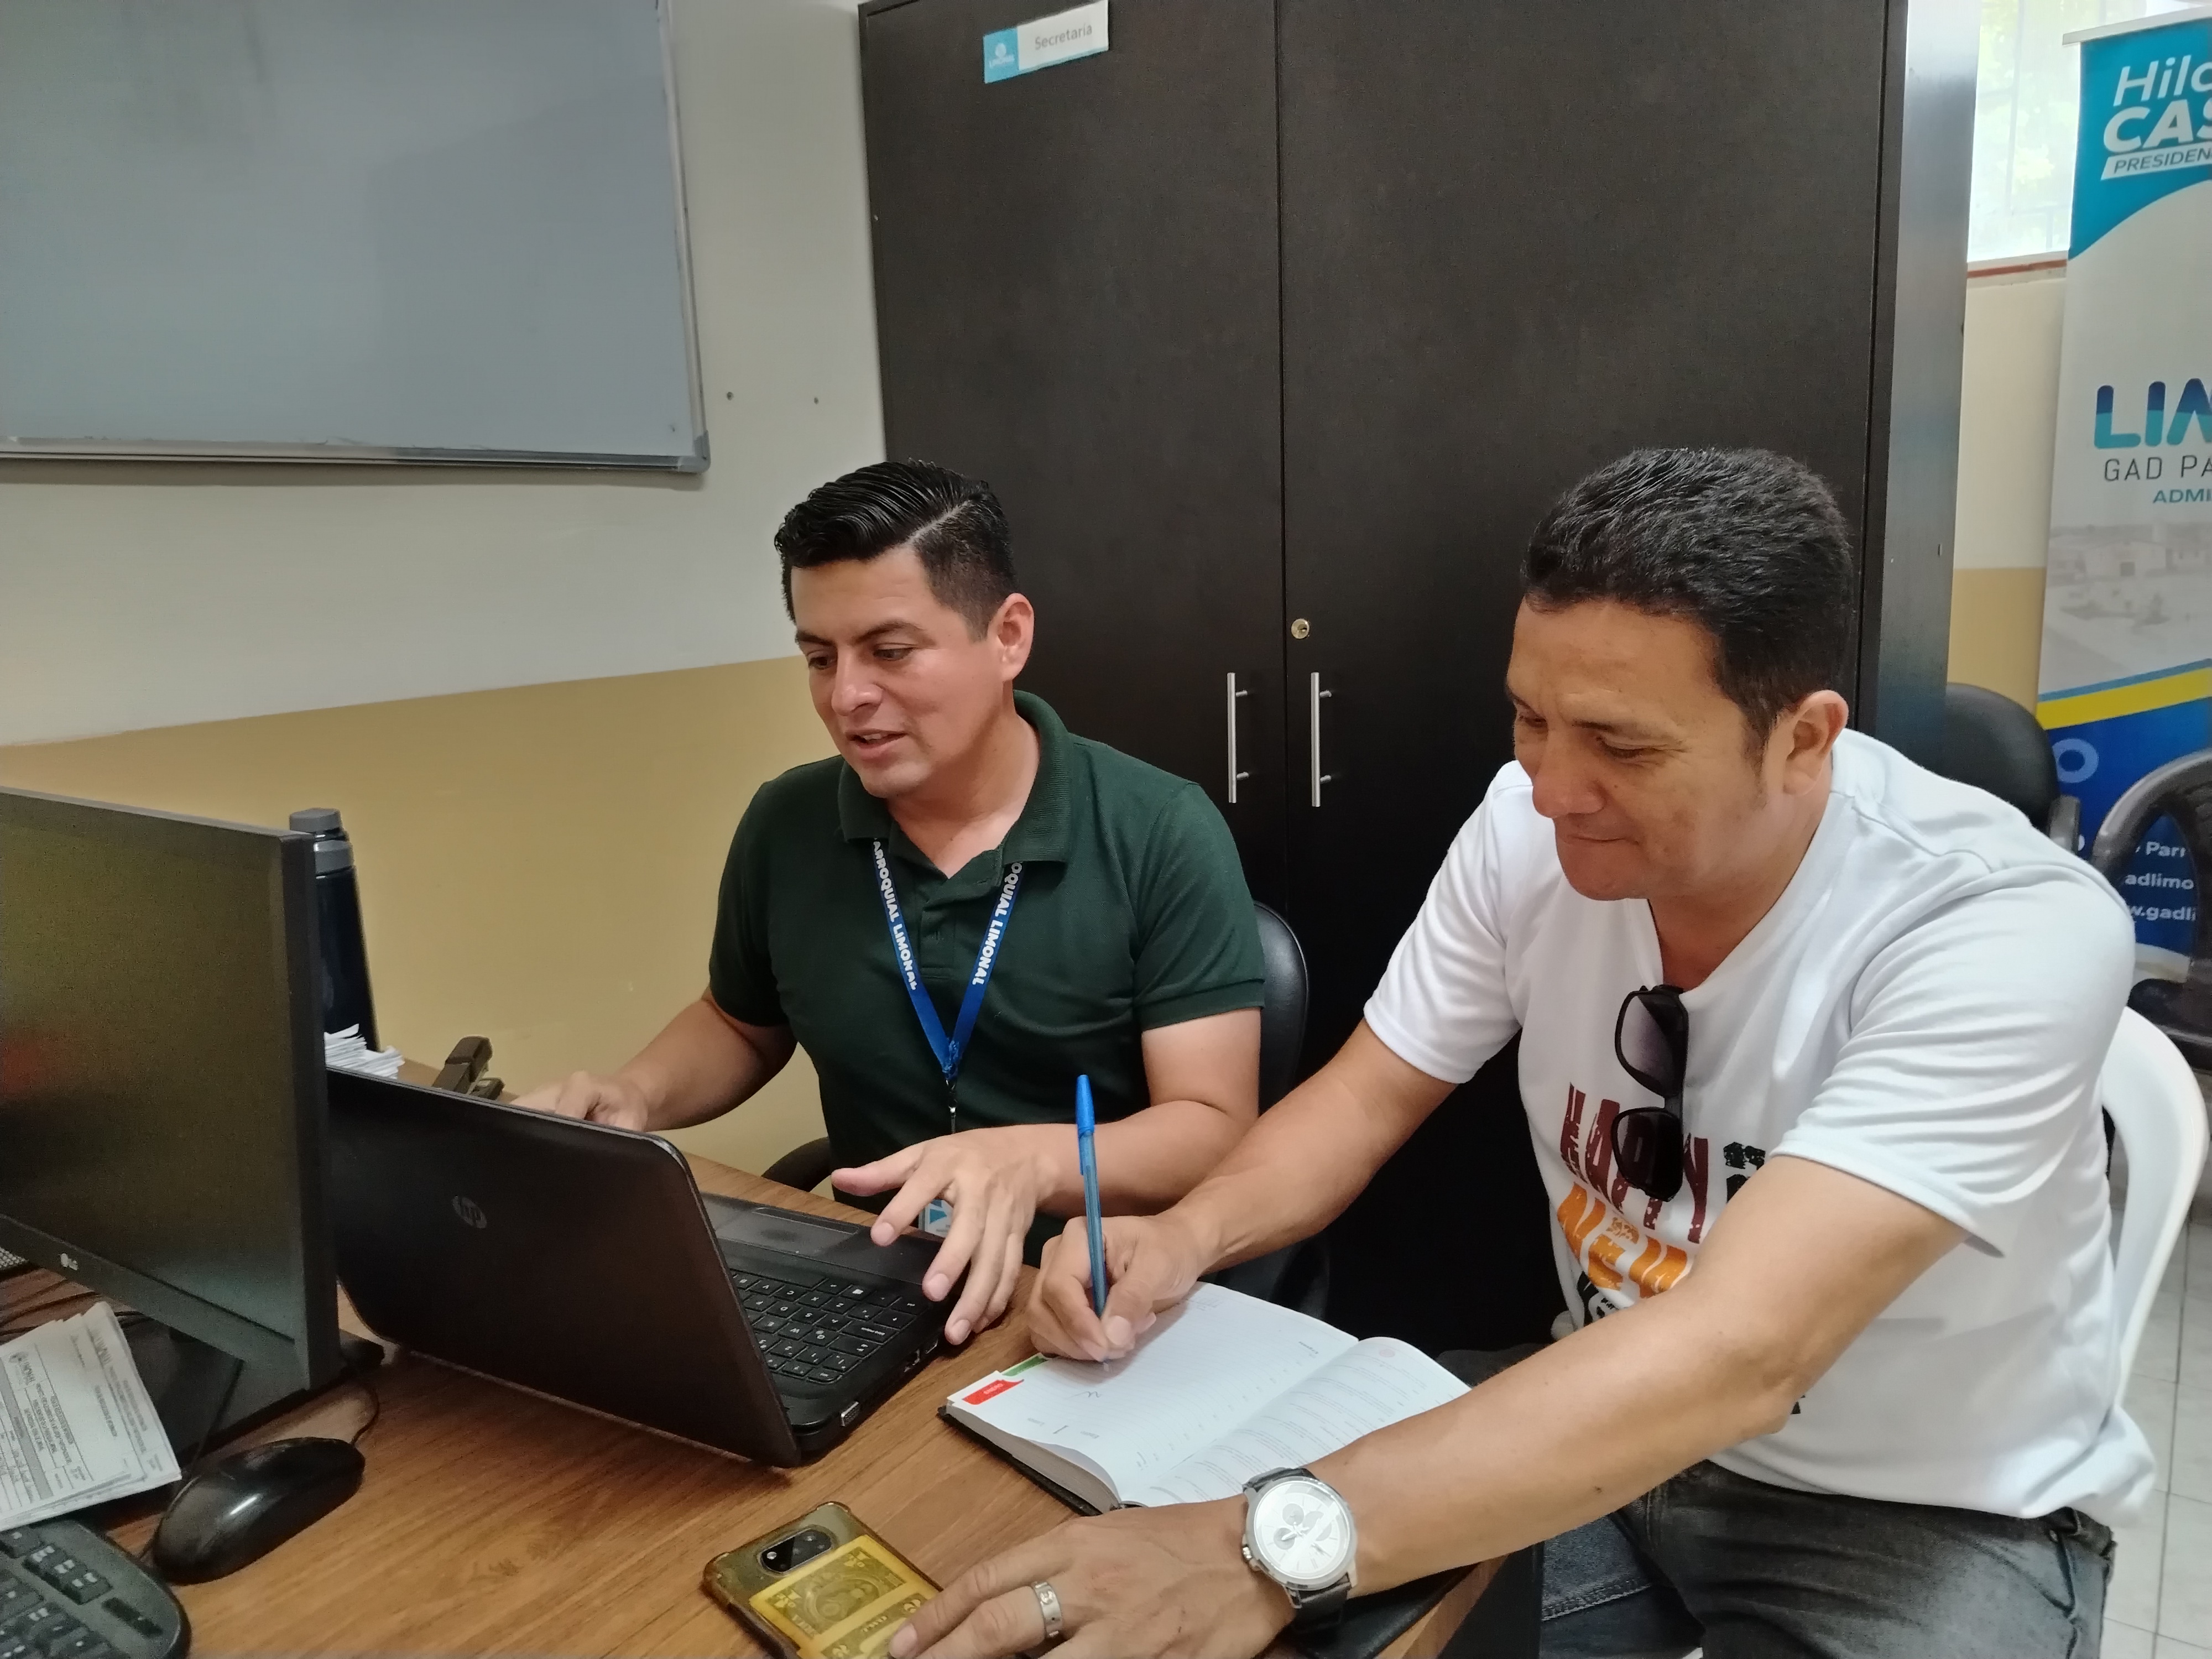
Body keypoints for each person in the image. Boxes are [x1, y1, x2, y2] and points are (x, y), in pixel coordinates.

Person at [891, 448, 2152, 1659]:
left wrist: (1257, 1549)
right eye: (1529, 718)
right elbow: (1364, 1099)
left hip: (1916, 1511)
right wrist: (1186, 1235)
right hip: (1598, 1417)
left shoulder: (2000, 926)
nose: (1551, 788)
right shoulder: (1524, 830)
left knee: (1246, 1568)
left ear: (1802, 740)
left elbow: (1745, 1351)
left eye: (1622, 745)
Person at [520, 460, 1265, 1350]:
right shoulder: (787, 823)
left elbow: (1212, 1127)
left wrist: (1024, 1161)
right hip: (872, 1285)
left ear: (1008, 636)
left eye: (890, 651)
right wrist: (636, 1093)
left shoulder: (1159, 829)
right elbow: (741, 1023)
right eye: (819, 658)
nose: (847, 697)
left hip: (1092, 1290)